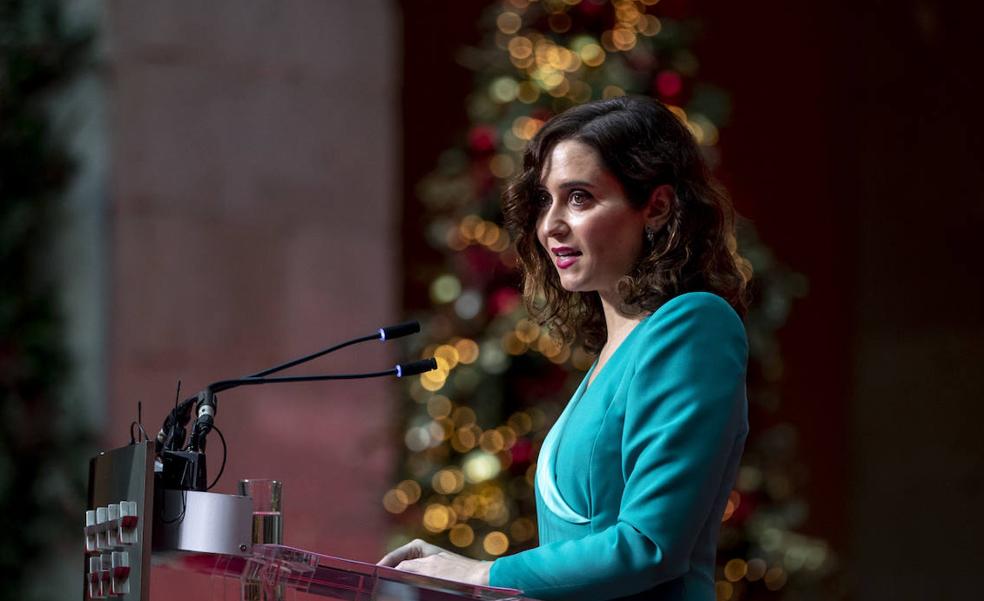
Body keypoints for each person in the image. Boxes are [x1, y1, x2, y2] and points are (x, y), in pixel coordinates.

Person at [379, 95, 752, 601]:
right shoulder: (613, 352)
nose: (550, 224)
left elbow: (649, 544)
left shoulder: (693, 326)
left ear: (657, 206)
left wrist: (482, 574)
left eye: (578, 197)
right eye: (545, 200)